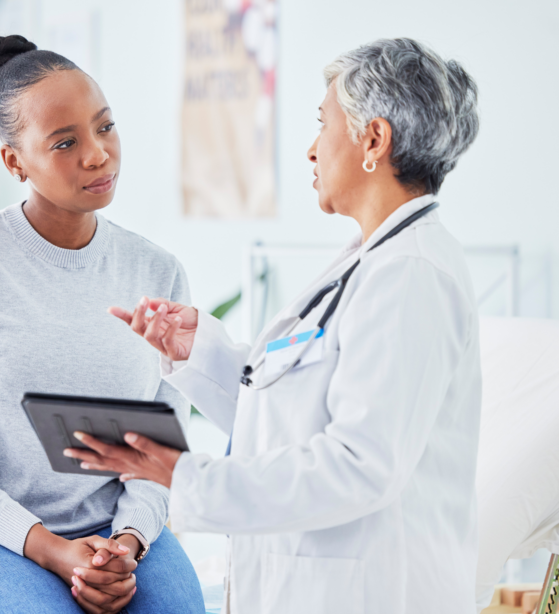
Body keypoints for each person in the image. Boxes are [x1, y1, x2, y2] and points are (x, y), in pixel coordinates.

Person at [67, 38, 482, 614]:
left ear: (374, 140)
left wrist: (187, 476)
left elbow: (361, 467)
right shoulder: (370, 262)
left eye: (323, 124)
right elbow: (291, 419)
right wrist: (200, 354)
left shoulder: (410, 274)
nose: (312, 149)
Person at [0, 35, 204, 614]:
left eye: (105, 127)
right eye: (65, 142)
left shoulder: (158, 271)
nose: (97, 154)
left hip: (115, 532)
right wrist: (55, 551)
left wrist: (126, 543)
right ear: (15, 161)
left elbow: (159, 452)